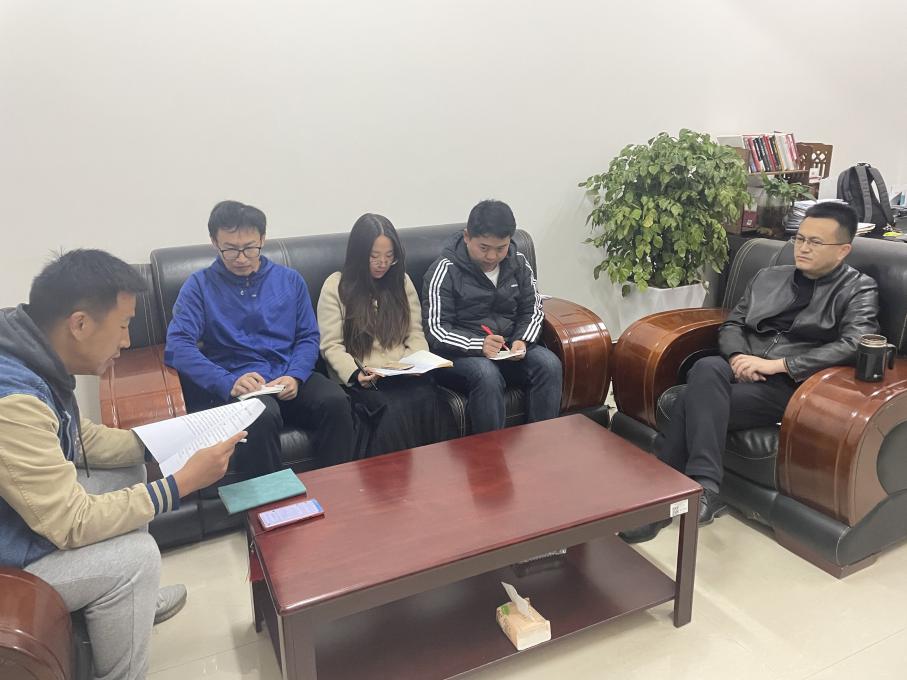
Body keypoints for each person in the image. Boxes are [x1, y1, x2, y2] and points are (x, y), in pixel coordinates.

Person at [0, 249, 242, 680]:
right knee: (137, 557)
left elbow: (80, 439)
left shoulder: (33, 354)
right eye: (124, 325)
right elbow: (70, 522)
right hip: (11, 554)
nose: (127, 341)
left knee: (126, 472)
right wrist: (180, 483)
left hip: (20, 522)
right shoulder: (14, 402)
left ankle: (135, 604)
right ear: (80, 324)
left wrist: (163, 440)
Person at [621, 202, 880, 543]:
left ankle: (660, 504)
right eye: (800, 238)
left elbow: (855, 342)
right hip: (737, 370)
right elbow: (733, 323)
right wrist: (738, 356)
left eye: (815, 242)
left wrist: (780, 365)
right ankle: (705, 487)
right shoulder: (769, 277)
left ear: (843, 249)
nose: (802, 248)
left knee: (687, 399)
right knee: (707, 366)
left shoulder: (858, 289)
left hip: (789, 386)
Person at [165, 200, 354, 476]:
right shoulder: (199, 286)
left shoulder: (290, 280)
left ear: (263, 239)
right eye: (230, 249)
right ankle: (271, 501)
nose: (241, 258)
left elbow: (308, 336)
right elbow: (177, 346)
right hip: (237, 383)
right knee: (260, 415)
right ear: (214, 243)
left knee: (335, 402)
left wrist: (296, 375)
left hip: (286, 375)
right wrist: (228, 382)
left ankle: (338, 489)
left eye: (250, 248)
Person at [318, 213, 455, 457]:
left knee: (429, 399)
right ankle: (390, 478)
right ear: (359, 254)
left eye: (389, 256)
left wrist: (415, 362)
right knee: (390, 408)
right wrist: (356, 373)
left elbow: (415, 333)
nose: (382, 263)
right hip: (364, 380)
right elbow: (331, 346)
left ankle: (438, 474)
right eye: (374, 256)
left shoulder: (401, 282)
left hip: (403, 373)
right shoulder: (336, 286)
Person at [422, 199, 562, 434]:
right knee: (486, 374)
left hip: (508, 349)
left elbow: (532, 309)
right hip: (461, 356)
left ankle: (541, 444)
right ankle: (492, 453)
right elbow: (436, 330)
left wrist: (522, 340)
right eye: (484, 247)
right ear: (467, 237)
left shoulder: (518, 263)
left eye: (501, 248)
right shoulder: (445, 270)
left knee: (549, 365)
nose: (492, 256)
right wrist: (479, 345)